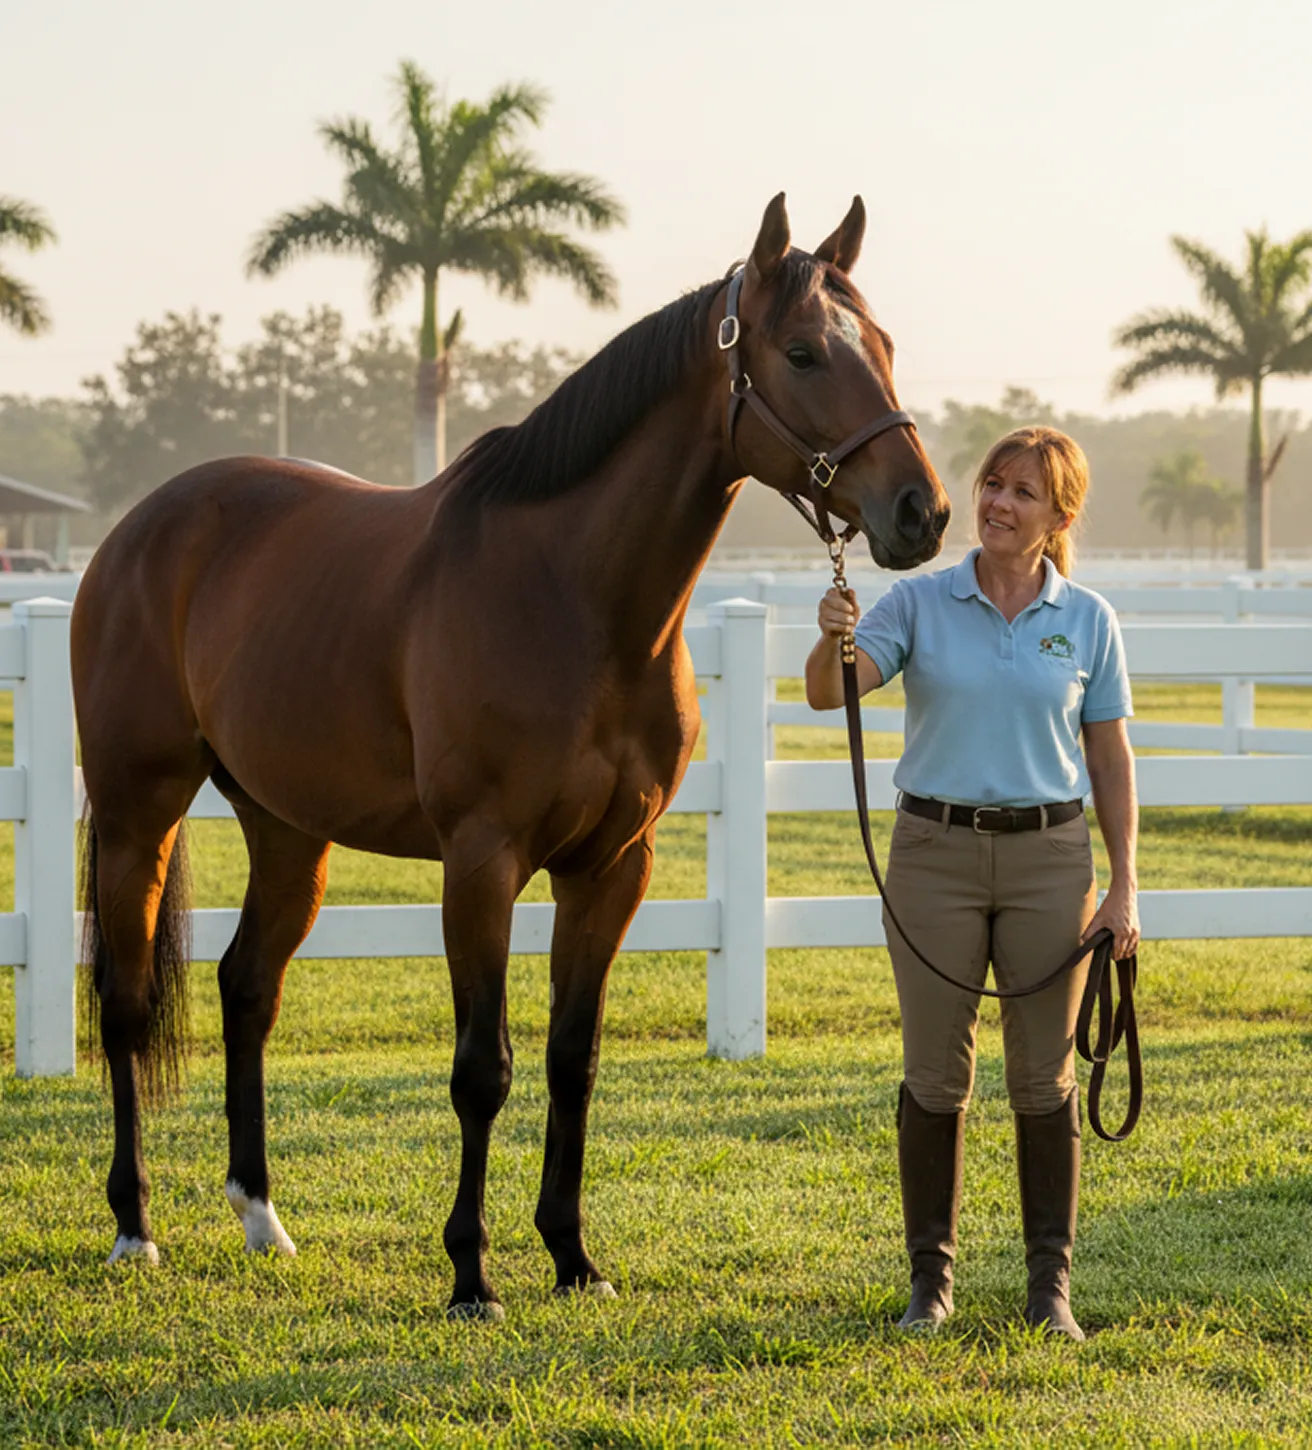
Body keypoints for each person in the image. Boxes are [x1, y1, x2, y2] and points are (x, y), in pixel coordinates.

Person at [805, 425, 1139, 1341]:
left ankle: (1050, 1291)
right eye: (993, 484)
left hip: (1050, 858)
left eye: (1022, 493)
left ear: (1058, 516)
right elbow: (829, 693)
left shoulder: (1088, 621)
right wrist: (832, 639)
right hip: (934, 857)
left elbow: (1109, 757)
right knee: (933, 1073)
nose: (997, 503)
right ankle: (931, 1286)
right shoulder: (919, 603)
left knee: (1045, 1077)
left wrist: (1124, 888)